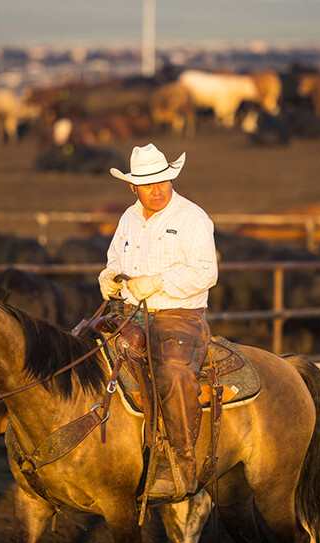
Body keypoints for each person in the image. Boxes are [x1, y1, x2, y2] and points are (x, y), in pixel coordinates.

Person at [98, 143, 217, 500]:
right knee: (83, 348)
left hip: (179, 316)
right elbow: (116, 258)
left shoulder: (192, 218)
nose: (158, 189)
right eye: (148, 184)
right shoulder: (129, 218)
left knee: (173, 371)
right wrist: (110, 275)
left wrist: (159, 282)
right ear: (133, 187)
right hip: (130, 312)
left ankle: (181, 464)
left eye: (162, 181)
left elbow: (206, 272)